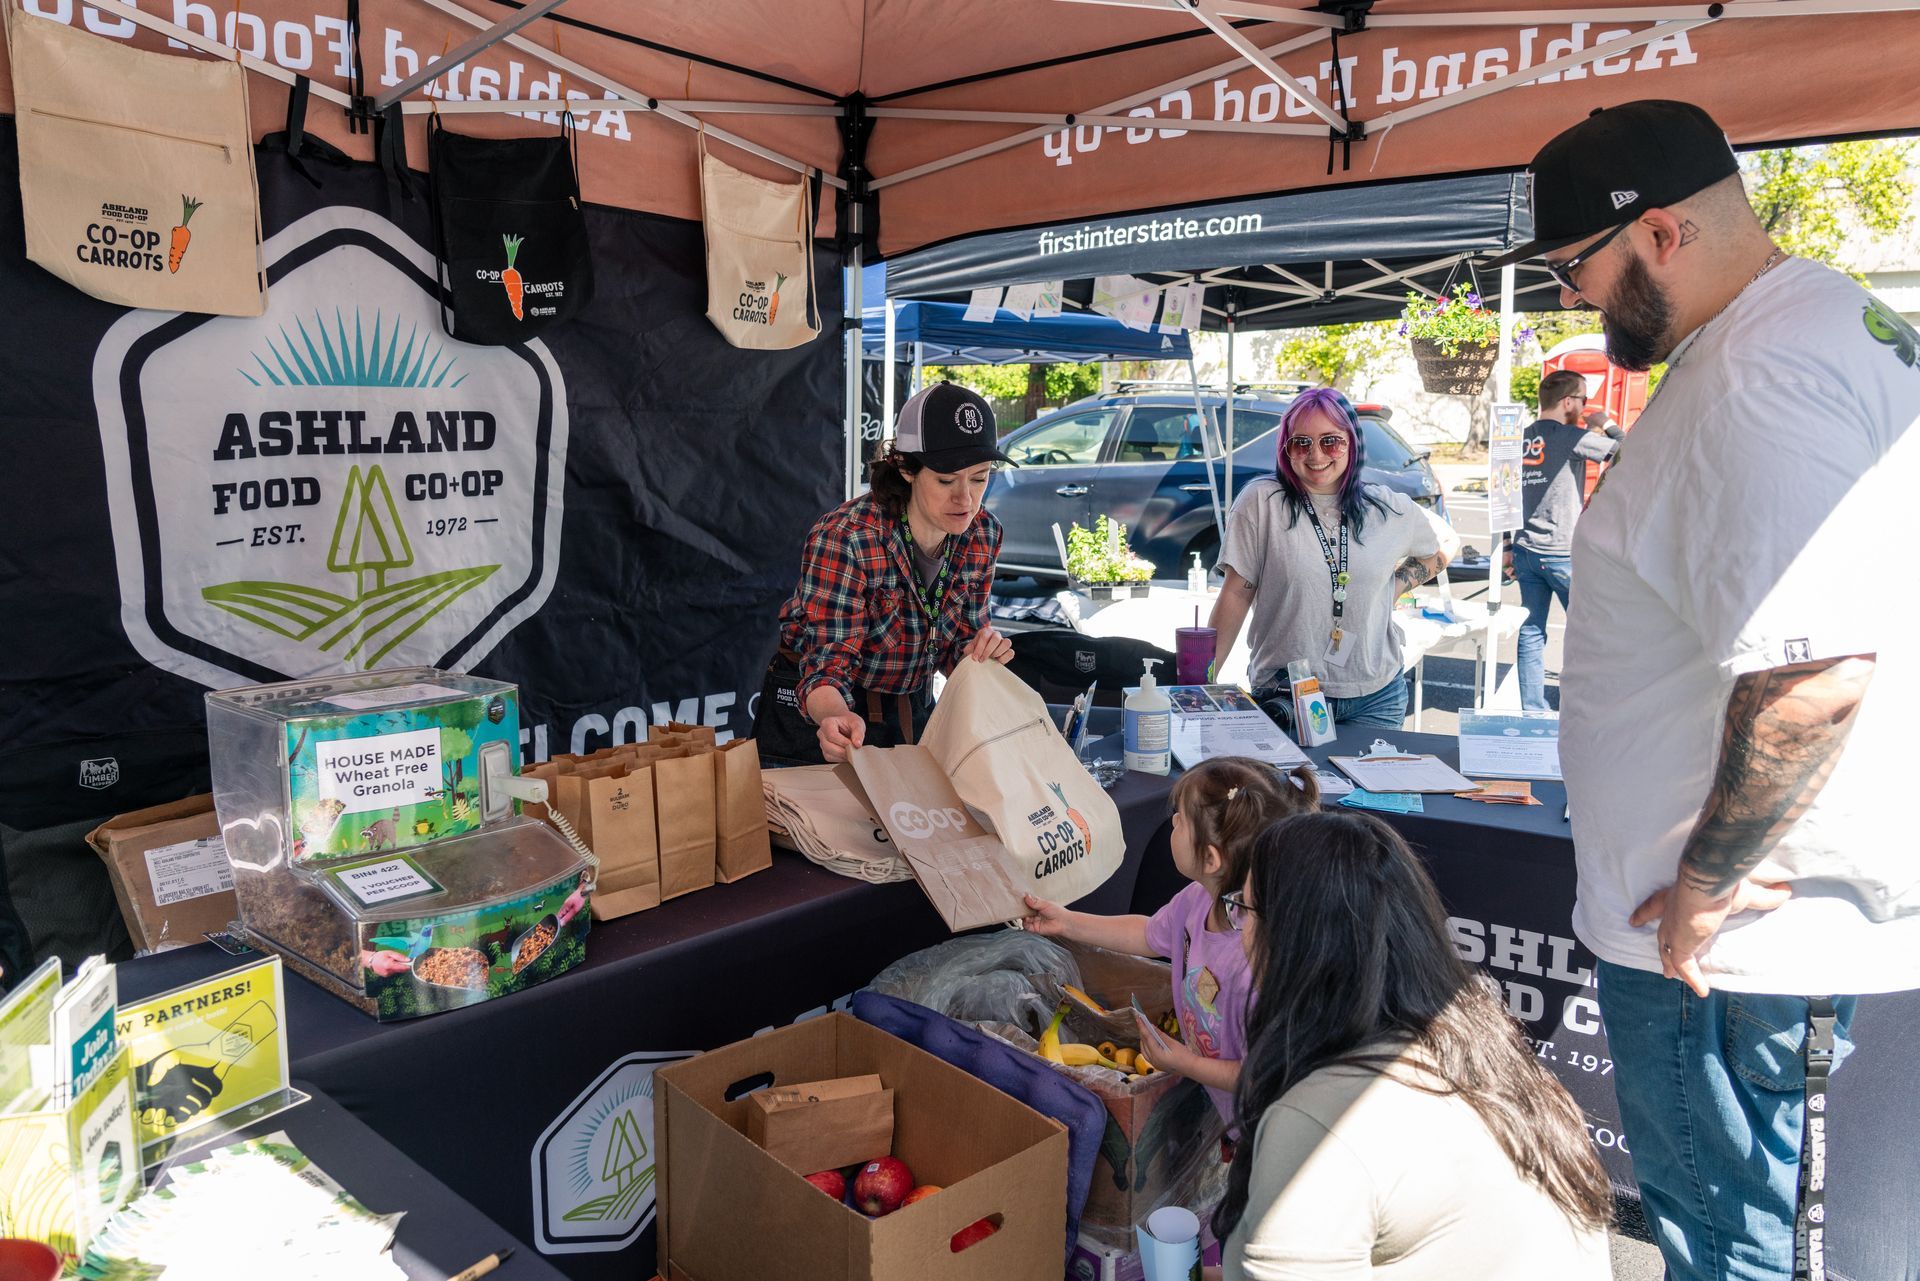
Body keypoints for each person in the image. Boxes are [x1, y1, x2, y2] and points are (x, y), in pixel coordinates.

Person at [1490, 99, 1918, 1280]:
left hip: (1722, 960)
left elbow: (1815, 674)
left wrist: (1702, 890)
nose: (1576, 296)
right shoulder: (1829, 319)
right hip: (1738, 949)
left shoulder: (1755, 383)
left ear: (1662, 233)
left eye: (1580, 264)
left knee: (1732, 1251)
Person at [1217, 810, 1613, 1279]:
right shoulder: (1482, 1047)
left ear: (1293, 938)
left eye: (1244, 908)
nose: (1238, 929)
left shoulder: (1320, 1123)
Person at [1019, 756, 1317, 1124]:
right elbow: (1146, 933)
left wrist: (1185, 1063)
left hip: (1263, 1123)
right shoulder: (1197, 900)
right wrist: (1067, 923)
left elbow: (1263, 1074)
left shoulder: (1254, 962)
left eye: (1181, 819)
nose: (1173, 821)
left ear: (1210, 859)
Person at [758, 383, 1016, 764]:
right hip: (821, 714)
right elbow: (827, 664)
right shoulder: (847, 538)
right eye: (946, 480)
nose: (966, 499)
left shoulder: (983, 534)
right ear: (906, 469)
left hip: (911, 706)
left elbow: (959, 644)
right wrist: (834, 717)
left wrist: (981, 651)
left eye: (979, 478)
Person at [1208, 388, 1458, 732]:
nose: (1316, 455)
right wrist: (1199, 685)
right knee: (1288, 787)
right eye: (1301, 443)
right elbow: (1235, 594)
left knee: (1366, 788)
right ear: (1286, 448)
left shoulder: (1384, 507)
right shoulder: (1262, 502)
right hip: (1286, 693)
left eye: (1330, 441)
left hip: (1376, 696)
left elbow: (1446, 541)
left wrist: (1397, 585)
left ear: (1351, 443)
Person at [1505, 369, 1623, 710]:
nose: (1586, 407)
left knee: (1531, 631)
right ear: (1568, 401)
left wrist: (1509, 547)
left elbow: (1505, 495)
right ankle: (1588, 705)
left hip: (1526, 550)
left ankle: (1532, 709)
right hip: (1560, 552)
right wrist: (1607, 422)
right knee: (1590, 632)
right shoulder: (1572, 437)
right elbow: (1629, 450)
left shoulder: (1520, 437)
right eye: (1584, 400)